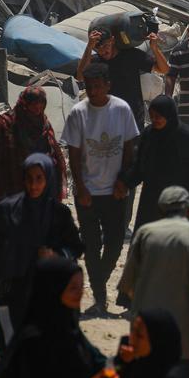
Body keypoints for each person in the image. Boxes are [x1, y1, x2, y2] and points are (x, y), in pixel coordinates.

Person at [0, 154, 83, 353]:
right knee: (10, 351)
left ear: (48, 179)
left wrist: (55, 255)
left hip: (45, 294)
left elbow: (76, 247)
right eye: (29, 178)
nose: (33, 185)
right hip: (8, 293)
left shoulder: (59, 214)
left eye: (39, 178)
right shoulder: (6, 211)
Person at [118, 187, 189, 378]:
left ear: (160, 211)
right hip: (186, 343)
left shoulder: (145, 233)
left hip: (146, 342)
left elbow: (128, 286)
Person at [62, 63, 140, 314]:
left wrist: (123, 181)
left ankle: (98, 282)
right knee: (92, 245)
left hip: (115, 191)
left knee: (116, 242)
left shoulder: (121, 109)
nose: (93, 91)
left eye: (98, 86)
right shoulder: (78, 113)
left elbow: (129, 149)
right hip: (88, 192)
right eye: (89, 87)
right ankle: (100, 298)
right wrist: (81, 188)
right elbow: (73, 156)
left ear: (108, 85)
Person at [0, 258, 110, 378]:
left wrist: (124, 358)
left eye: (81, 286)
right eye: (73, 288)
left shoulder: (69, 330)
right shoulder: (34, 341)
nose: (80, 293)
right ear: (53, 289)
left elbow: (101, 365)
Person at [119, 95, 189, 227]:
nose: (154, 120)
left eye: (158, 116)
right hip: (151, 200)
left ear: (169, 115)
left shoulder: (188, 137)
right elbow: (139, 166)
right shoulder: (149, 134)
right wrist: (125, 182)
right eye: (152, 116)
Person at [0, 87, 66, 215]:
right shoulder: (7, 124)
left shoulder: (44, 124)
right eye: (34, 104)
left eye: (41, 104)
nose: (38, 108)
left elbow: (53, 153)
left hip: (38, 185)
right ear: (25, 104)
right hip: (11, 183)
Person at [77, 26, 167, 130]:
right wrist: (89, 47)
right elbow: (80, 77)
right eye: (98, 48)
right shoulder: (96, 61)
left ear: (112, 40)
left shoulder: (131, 55)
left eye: (106, 45)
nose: (102, 51)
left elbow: (163, 69)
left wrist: (155, 49)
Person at [116, 308, 189, 378]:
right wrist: (122, 364)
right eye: (132, 331)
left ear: (157, 341)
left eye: (139, 336)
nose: (131, 340)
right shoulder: (134, 361)